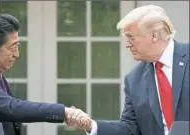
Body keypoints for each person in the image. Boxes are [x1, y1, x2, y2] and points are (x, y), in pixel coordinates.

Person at [0, 14, 91, 135]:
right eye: (12, 47)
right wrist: (64, 112)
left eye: (18, 47)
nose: (17, 54)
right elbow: (11, 108)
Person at [69, 5, 189, 135]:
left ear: (154, 36)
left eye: (131, 37)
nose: (127, 44)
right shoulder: (134, 79)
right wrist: (91, 125)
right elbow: (130, 129)